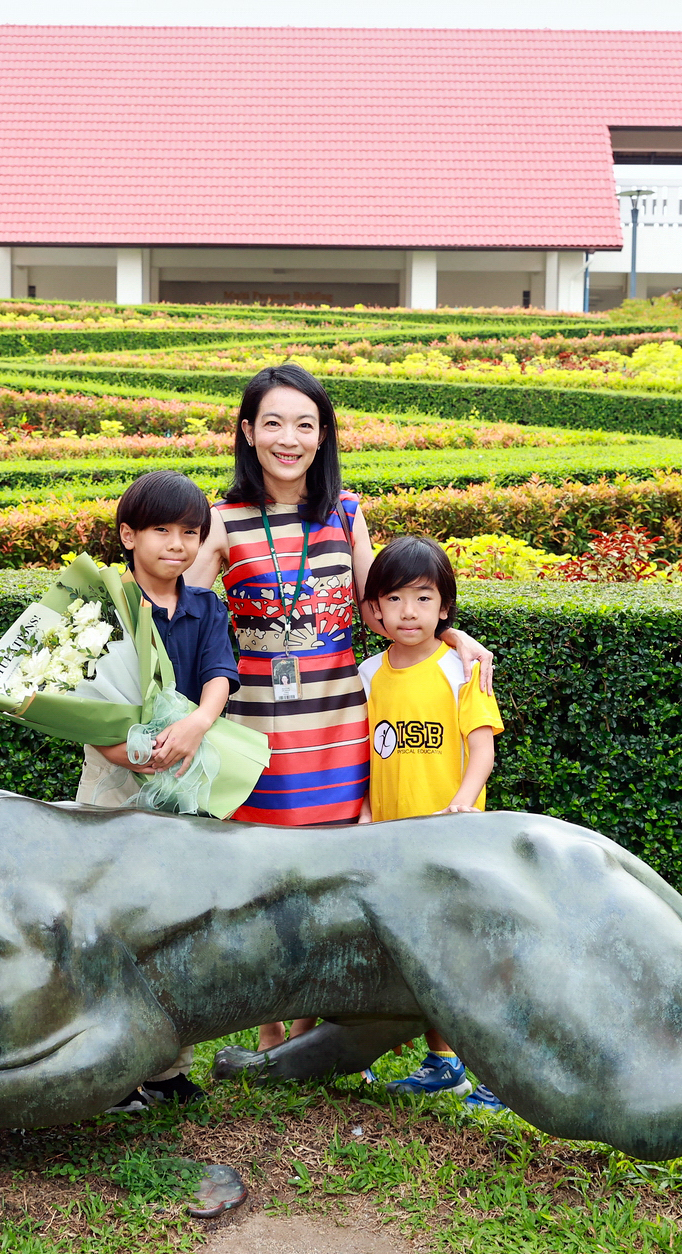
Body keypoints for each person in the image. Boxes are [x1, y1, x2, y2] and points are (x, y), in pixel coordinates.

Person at [184, 364, 494, 1053]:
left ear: (323, 437)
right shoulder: (221, 520)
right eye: (273, 423)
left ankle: (307, 1031)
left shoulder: (347, 513)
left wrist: (453, 632)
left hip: (337, 726)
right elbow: (185, 612)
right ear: (246, 433)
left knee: (330, 881)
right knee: (264, 882)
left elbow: (381, 607)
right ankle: (267, 1028)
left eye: (304, 424)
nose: (288, 438)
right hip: (259, 730)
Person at [79, 470, 239, 1108]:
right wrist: (122, 750)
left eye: (191, 534)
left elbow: (220, 673)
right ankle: (109, 1067)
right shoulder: (101, 608)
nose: (177, 544)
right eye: (161, 531)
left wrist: (199, 725)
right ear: (128, 534)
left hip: (186, 773)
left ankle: (169, 1067)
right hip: (114, 779)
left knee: (177, 919)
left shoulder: (206, 608)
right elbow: (78, 697)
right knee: (110, 919)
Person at [355, 536, 508, 1112]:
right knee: (421, 955)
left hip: (454, 840)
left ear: (444, 607)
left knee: (467, 960)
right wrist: (368, 816)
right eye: (394, 599)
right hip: (395, 843)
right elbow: (365, 755)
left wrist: (463, 805)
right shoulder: (370, 674)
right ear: (375, 610)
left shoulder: (460, 668)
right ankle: (443, 1062)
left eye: (423, 598)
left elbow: (481, 749)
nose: (408, 612)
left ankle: (496, 1071)